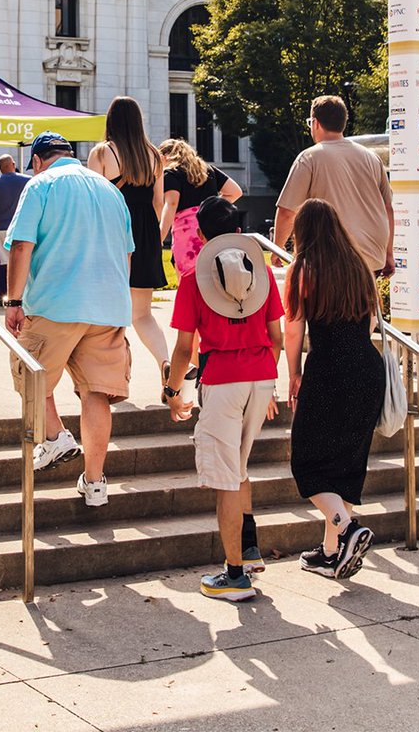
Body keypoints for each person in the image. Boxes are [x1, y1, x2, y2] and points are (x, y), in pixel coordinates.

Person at [4, 131, 134, 508]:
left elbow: (22, 244)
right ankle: (95, 483)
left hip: (56, 301)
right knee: (96, 393)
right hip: (108, 306)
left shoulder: (40, 184)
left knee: (30, 372)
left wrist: (14, 300)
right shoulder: (111, 191)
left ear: (38, 160)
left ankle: (56, 436)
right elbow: (127, 253)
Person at [165, 196, 283, 601]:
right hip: (261, 375)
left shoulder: (193, 279)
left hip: (222, 380)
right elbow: (278, 337)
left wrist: (171, 390)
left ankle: (235, 575)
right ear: (238, 231)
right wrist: (269, 380)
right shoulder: (262, 273)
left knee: (225, 480)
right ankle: (248, 552)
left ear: (200, 234)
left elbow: (183, 348)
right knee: (240, 467)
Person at [285, 198, 384, 580]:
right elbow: (373, 322)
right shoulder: (359, 266)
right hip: (367, 368)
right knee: (344, 461)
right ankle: (330, 553)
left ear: (303, 232)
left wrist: (293, 373)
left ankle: (346, 528)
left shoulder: (303, 269)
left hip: (329, 369)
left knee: (307, 462)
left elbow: (294, 329)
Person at [87, 97, 170, 390]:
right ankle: (165, 361)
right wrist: (151, 238)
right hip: (146, 233)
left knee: (111, 312)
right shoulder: (154, 155)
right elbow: (158, 203)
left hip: (114, 235)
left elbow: (93, 204)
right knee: (142, 314)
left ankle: (116, 377)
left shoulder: (102, 153)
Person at [273, 94, 394, 276]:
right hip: (371, 258)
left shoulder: (309, 158)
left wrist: (277, 249)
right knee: (363, 305)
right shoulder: (372, 158)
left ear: (315, 122)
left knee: (329, 305)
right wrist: (389, 253)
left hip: (330, 258)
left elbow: (287, 212)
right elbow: (387, 208)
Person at [159, 138, 243, 277]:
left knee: (188, 279)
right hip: (211, 230)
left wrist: (160, 236)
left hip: (185, 234)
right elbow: (235, 192)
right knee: (212, 279)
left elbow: (171, 203)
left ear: (165, 156)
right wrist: (213, 207)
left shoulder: (171, 173)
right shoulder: (207, 170)